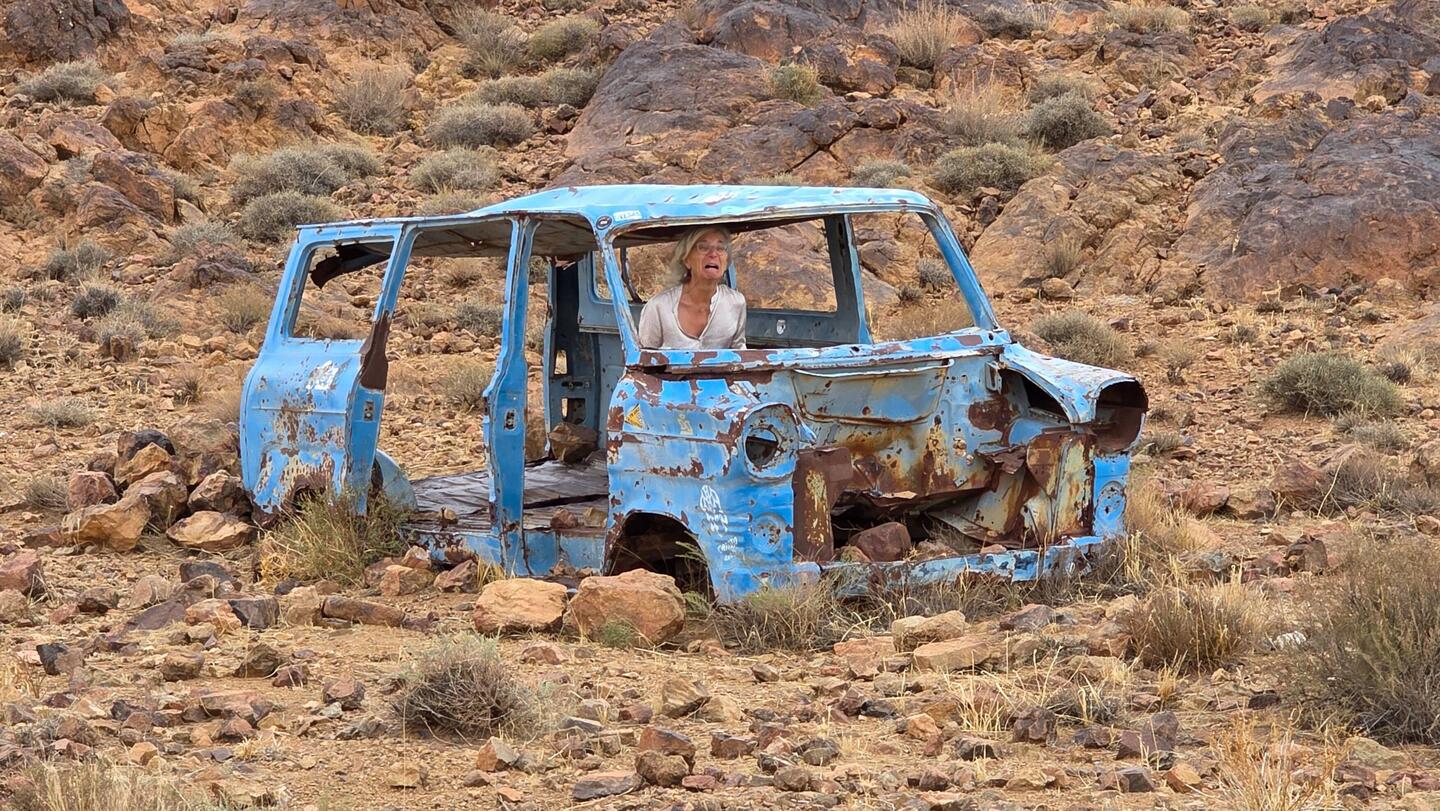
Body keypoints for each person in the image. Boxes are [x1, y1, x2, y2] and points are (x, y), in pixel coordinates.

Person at [637, 226, 748, 349]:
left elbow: (740, 357)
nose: (713, 254)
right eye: (703, 247)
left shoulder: (736, 303)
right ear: (686, 260)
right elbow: (642, 361)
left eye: (720, 248)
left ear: (726, 262)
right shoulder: (659, 307)